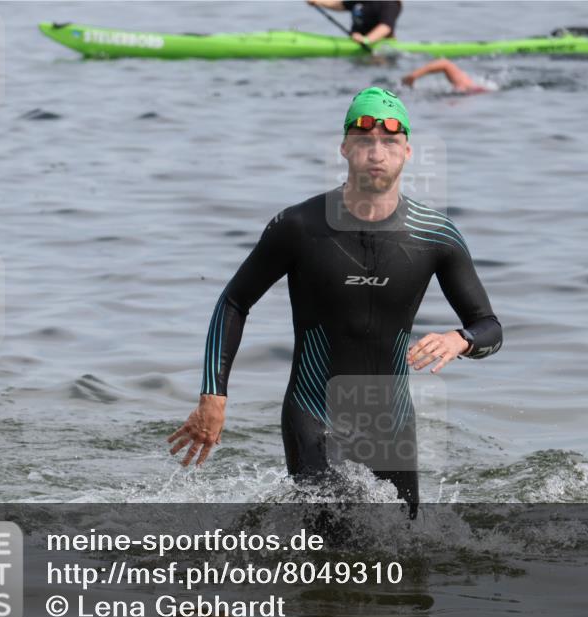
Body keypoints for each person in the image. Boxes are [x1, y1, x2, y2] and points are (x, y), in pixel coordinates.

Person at [167, 87, 502, 520]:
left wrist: (461, 340)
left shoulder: (436, 235)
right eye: (364, 141)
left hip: (392, 420)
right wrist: (213, 397)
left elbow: (489, 326)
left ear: (408, 152)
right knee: (330, 549)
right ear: (344, 148)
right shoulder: (298, 226)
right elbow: (234, 300)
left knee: (403, 553)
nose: (376, 153)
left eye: (390, 142)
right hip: (313, 411)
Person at [306, 0, 402, 46]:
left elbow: (385, 27)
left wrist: (366, 40)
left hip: (381, 45)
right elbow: (339, 5)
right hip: (356, 42)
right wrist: (318, 2)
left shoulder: (390, 3)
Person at [401, 58, 489, 94]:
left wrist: (413, 76)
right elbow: (445, 64)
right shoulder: (474, 88)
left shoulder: (468, 87)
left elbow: (445, 63)